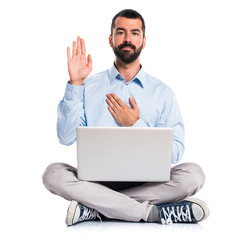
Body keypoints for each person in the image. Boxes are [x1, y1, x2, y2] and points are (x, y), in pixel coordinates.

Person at [42, 9, 209, 226]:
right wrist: (75, 84)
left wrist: (134, 124)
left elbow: (176, 153)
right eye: (121, 32)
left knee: (193, 175)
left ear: (144, 40)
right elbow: (65, 138)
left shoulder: (163, 92)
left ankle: (97, 209)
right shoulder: (86, 86)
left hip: (147, 182)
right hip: (95, 182)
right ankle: (151, 213)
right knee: (53, 173)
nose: (128, 39)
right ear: (111, 40)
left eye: (135, 33)